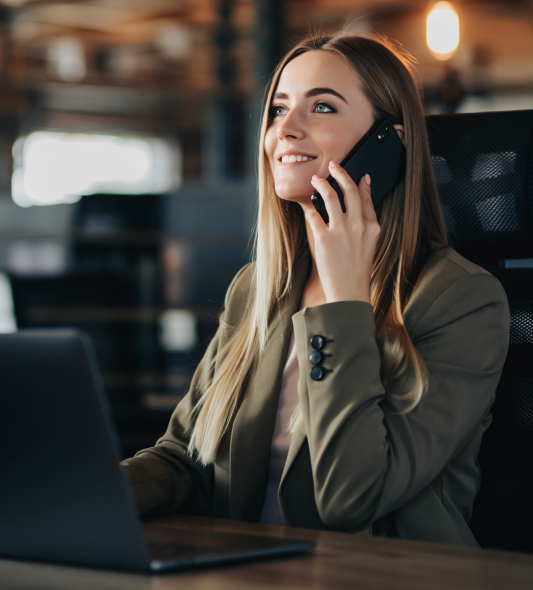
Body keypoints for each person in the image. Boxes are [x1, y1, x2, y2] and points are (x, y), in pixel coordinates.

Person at [122, 33, 509, 546]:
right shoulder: (258, 289)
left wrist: (345, 301)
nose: (286, 128)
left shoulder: (460, 301)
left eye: (321, 106)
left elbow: (352, 498)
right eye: (279, 108)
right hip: (244, 572)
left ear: (390, 144)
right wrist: (82, 490)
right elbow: (184, 459)